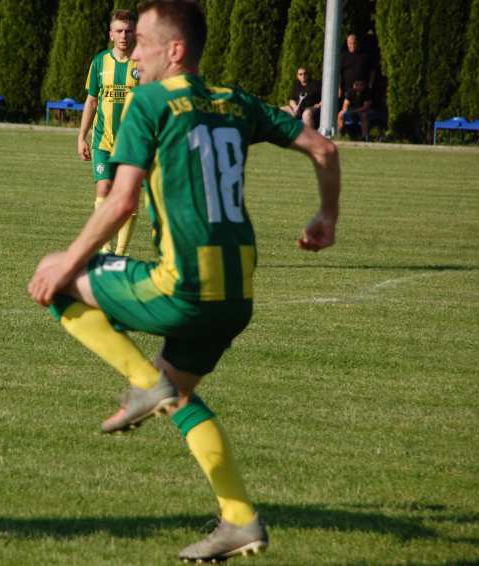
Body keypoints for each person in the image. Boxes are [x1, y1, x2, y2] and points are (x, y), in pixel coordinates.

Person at [28, 1, 340, 562]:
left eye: (143, 43)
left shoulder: (149, 102)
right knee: (182, 398)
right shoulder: (236, 101)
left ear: (175, 51)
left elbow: (121, 201)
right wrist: (327, 218)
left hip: (184, 288)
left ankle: (142, 382)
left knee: (55, 277)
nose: (134, 56)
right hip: (237, 297)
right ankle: (240, 520)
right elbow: (324, 147)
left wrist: (67, 262)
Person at [77, 10, 140, 256]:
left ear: (135, 33)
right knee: (103, 190)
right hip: (102, 140)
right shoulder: (99, 62)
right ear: (111, 34)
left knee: (128, 197)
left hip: (133, 143)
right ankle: (105, 249)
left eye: (128, 30)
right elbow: (91, 101)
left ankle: (121, 253)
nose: (124, 35)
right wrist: (81, 136)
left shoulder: (142, 63)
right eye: (119, 31)